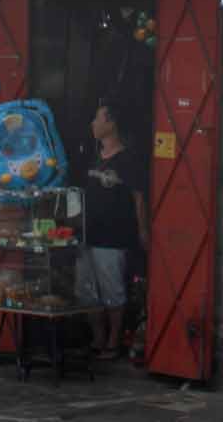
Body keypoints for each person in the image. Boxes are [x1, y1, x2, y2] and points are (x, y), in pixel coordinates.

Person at [79, 101, 150, 360]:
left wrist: (143, 230)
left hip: (113, 236)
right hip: (89, 234)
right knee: (87, 291)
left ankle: (113, 340)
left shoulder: (127, 159)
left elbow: (138, 197)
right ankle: (98, 337)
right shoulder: (94, 157)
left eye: (97, 119)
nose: (93, 124)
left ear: (110, 124)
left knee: (112, 291)